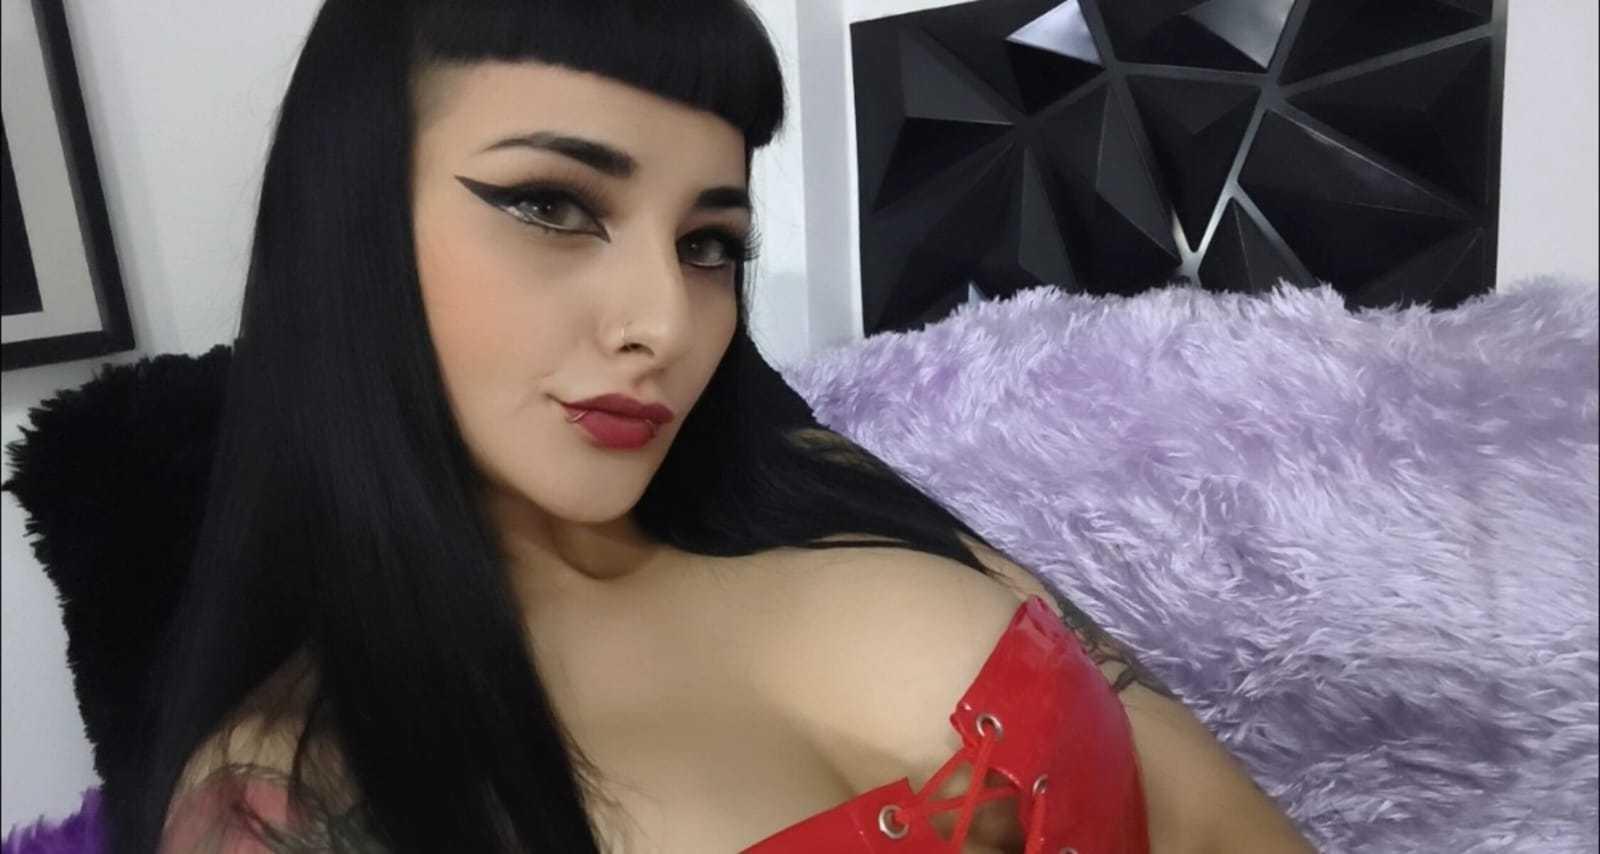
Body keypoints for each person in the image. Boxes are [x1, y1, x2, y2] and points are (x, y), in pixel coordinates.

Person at [113, 1, 1315, 852]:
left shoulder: (823, 481)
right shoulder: (284, 796)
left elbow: (1220, 822)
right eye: (553, 205)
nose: (664, 322)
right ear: (350, 225)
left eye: (707, 242)